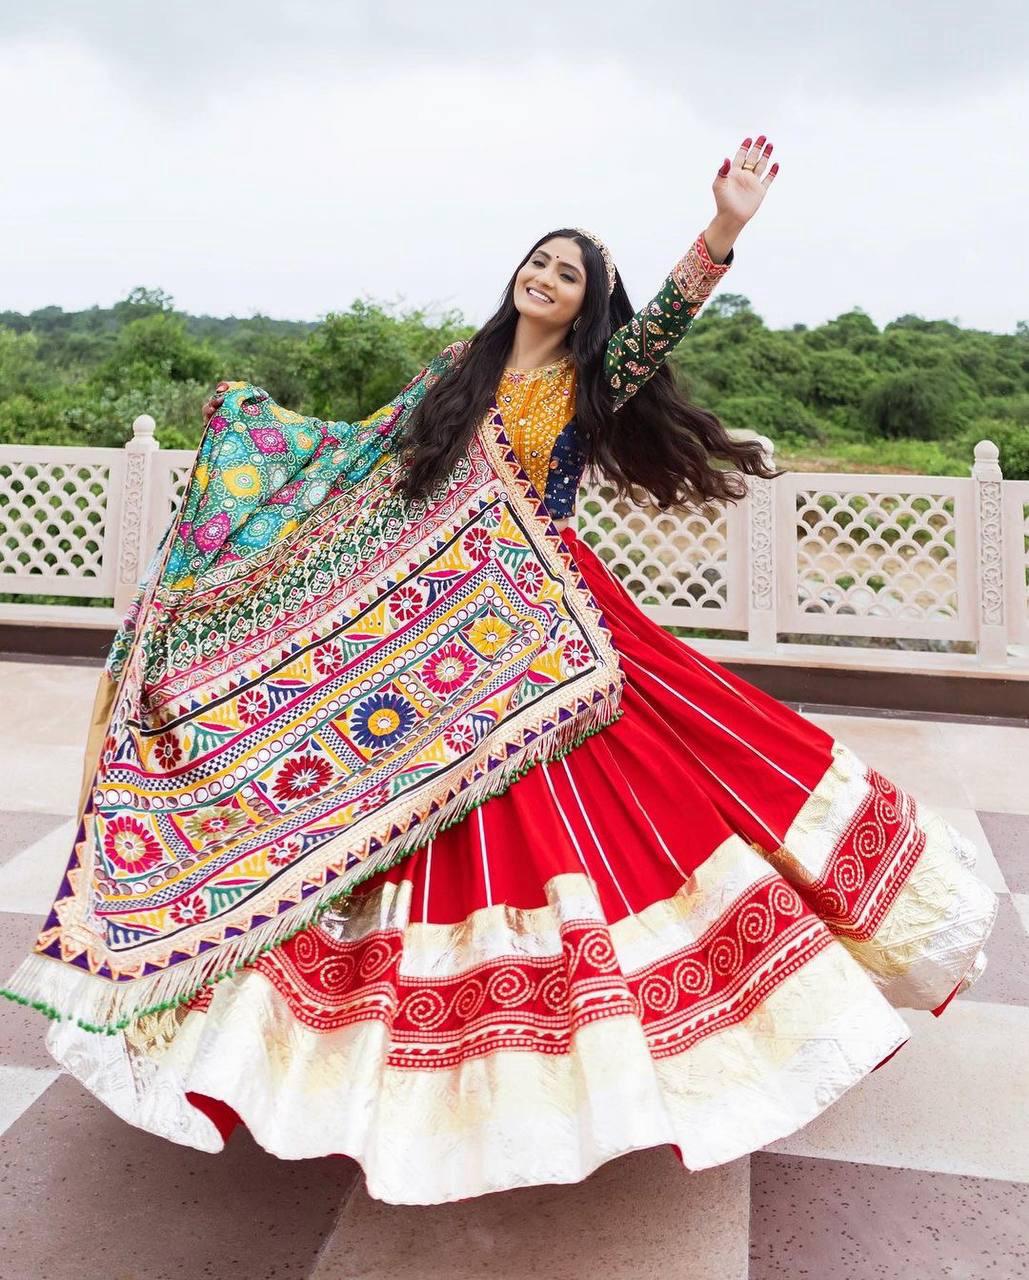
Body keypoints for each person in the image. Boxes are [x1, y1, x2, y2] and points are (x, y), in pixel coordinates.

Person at [5, 135, 998, 1206]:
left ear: (586, 303)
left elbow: (663, 318)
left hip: (548, 628)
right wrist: (260, 445)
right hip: (438, 634)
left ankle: (614, 1048)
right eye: (539, 261)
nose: (546, 277)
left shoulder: (589, 375)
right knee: (372, 810)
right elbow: (366, 458)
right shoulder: (457, 367)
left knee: (646, 791)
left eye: (568, 273)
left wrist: (724, 228)